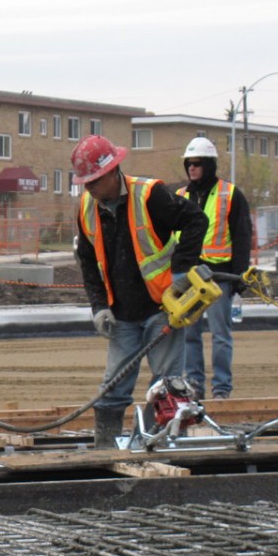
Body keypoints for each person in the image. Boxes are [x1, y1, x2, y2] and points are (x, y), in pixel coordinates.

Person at [72, 134, 208, 448]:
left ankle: (160, 446)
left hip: (162, 307)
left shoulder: (149, 195)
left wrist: (181, 272)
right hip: (122, 312)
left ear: (112, 172)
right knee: (113, 386)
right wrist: (99, 307)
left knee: (167, 388)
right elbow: (88, 261)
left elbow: (196, 221)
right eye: (85, 182)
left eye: (93, 180)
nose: (89, 188)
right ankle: (106, 449)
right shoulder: (87, 208)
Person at [176, 137, 253, 400]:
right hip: (190, 276)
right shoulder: (180, 196)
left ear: (209, 165)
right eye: (189, 163)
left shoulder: (230, 194)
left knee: (220, 334)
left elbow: (242, 236)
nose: (192, 168)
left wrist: (239, 275)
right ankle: (194, 385)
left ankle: (221, 388)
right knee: (190, 334)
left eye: (197, 163)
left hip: (220, 275)